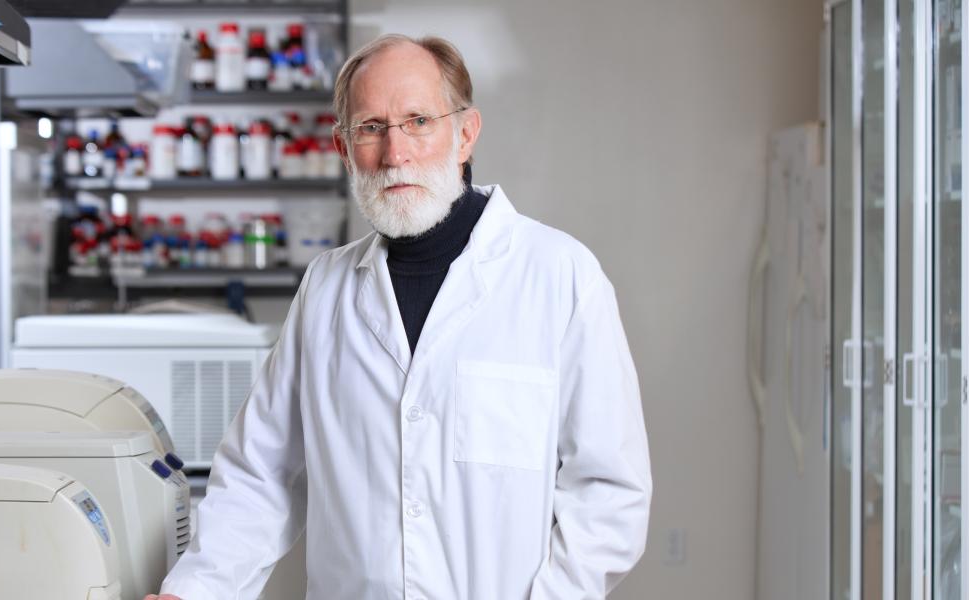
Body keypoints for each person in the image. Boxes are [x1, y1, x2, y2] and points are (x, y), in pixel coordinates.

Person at [147, 33, 651, 600]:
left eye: (417, 121)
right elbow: (259, 476)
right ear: (343, 147)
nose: (395, 153)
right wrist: (194, 591)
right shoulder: (325, 289)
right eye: (371, 128)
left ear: (465, 134)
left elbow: (609, 493)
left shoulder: (559, 276)